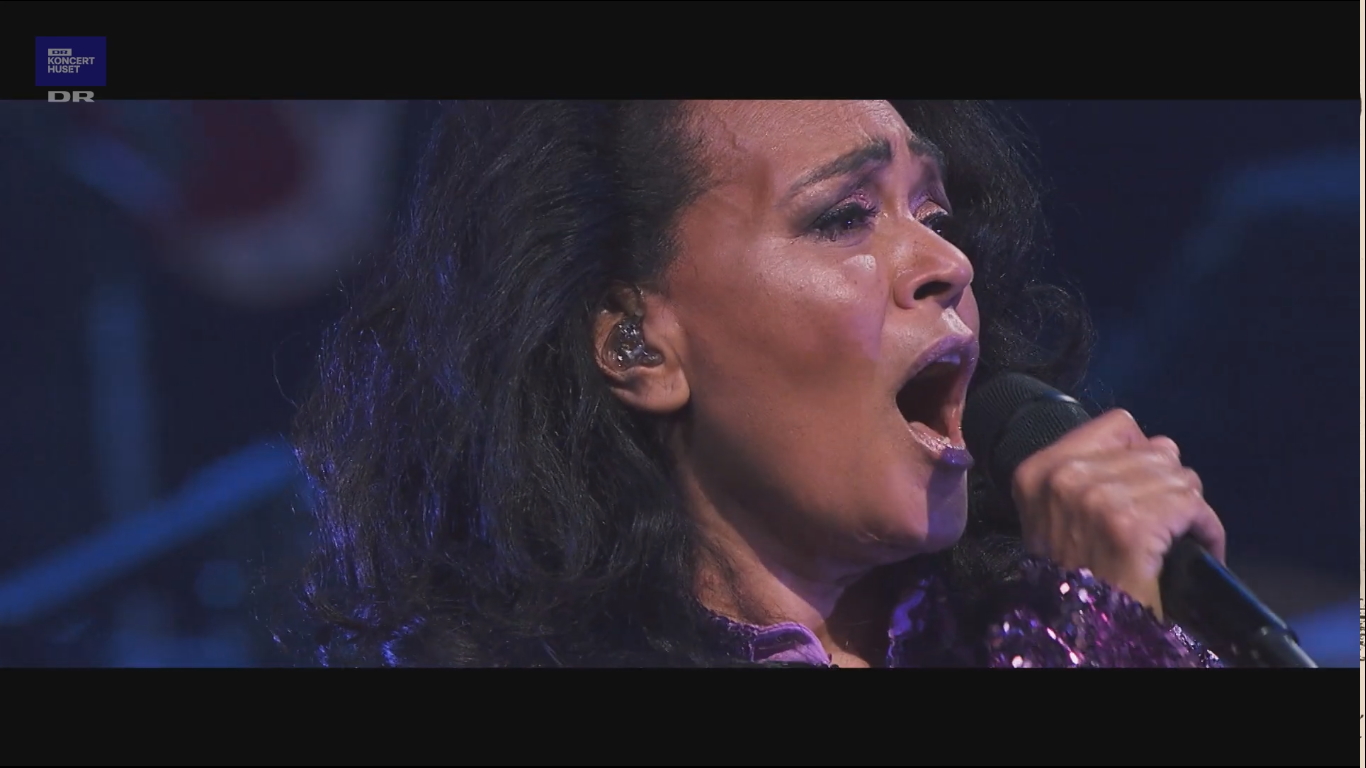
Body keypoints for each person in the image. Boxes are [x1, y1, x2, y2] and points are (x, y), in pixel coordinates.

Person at [288, 100, 1226, 668]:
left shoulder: (1027, 627)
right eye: (844, 217)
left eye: (933, 212)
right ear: (637, 344)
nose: (948, 262)